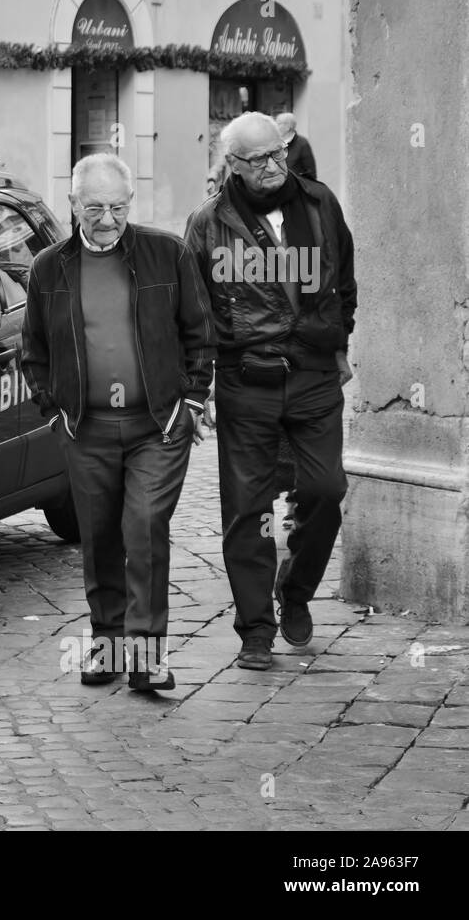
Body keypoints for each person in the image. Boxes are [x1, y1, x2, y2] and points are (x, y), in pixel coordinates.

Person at [21, 154, 215, 692]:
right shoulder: (48, 268)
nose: (107, 219)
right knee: (100, 537)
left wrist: (192, 404)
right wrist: (55, 411)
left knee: (144, 526)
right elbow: (32, 351)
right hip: (86, 428)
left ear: (130, 204)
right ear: (73, 205)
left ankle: (147, 656)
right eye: (95, 208)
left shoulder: (166, 253)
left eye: (118, 207)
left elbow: (200, 333)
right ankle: (107, 646)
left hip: (158, 423)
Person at [184, 111, 355, 670]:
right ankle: (255, 629)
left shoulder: (319, 203)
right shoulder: (208, 224)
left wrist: (338, 340)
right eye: (257, 159)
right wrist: (197, 387)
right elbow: (195, 312)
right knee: (247, 509)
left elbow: (345, 279)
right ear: (231, 164)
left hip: (312, 375)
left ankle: (296, 591)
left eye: (277, 154)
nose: (272, 166)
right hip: (246, 378)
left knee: (327, 489)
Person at [275, 112, 317, 180]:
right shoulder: (275, 143)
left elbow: (311, 173)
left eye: (278, 124)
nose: (275, 127)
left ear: (288, 127)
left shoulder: (302, 143)